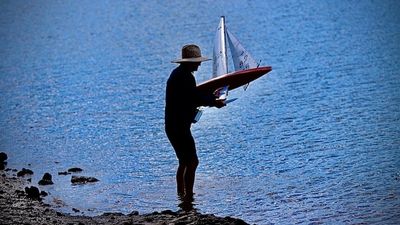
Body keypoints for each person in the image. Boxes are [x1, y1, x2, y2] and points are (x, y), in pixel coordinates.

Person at [165, 44, 225, 202]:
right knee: (192, 161)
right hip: (178, 128)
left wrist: (210, 97)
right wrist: (214, 102)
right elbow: (194, 98)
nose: (199, 64)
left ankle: (181, 195)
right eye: (197, 61)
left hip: (174, 126)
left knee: (184, 161)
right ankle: (188, 198)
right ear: (189, 62)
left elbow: (191, 95)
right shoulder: (185, 77)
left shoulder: (179, 74)